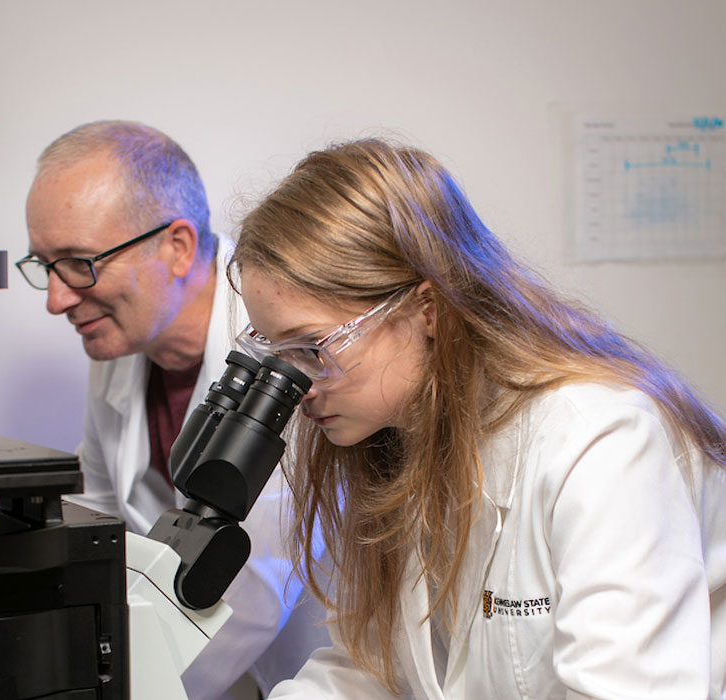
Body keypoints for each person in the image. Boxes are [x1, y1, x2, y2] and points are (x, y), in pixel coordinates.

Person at [228, 138, 726, 699]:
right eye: (277, 351)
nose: (296, 387)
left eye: (313, 347)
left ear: (428, 309)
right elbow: (369, 671)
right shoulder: (394, 438)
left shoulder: (601, 439)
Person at [17, 120, 328, 700]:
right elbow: (98, 525)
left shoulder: (287, 349)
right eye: (44, 265)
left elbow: (250, 586)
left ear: (178, 248)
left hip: (311, 669)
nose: (57, 299)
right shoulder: (124, 339)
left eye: (80, 264)